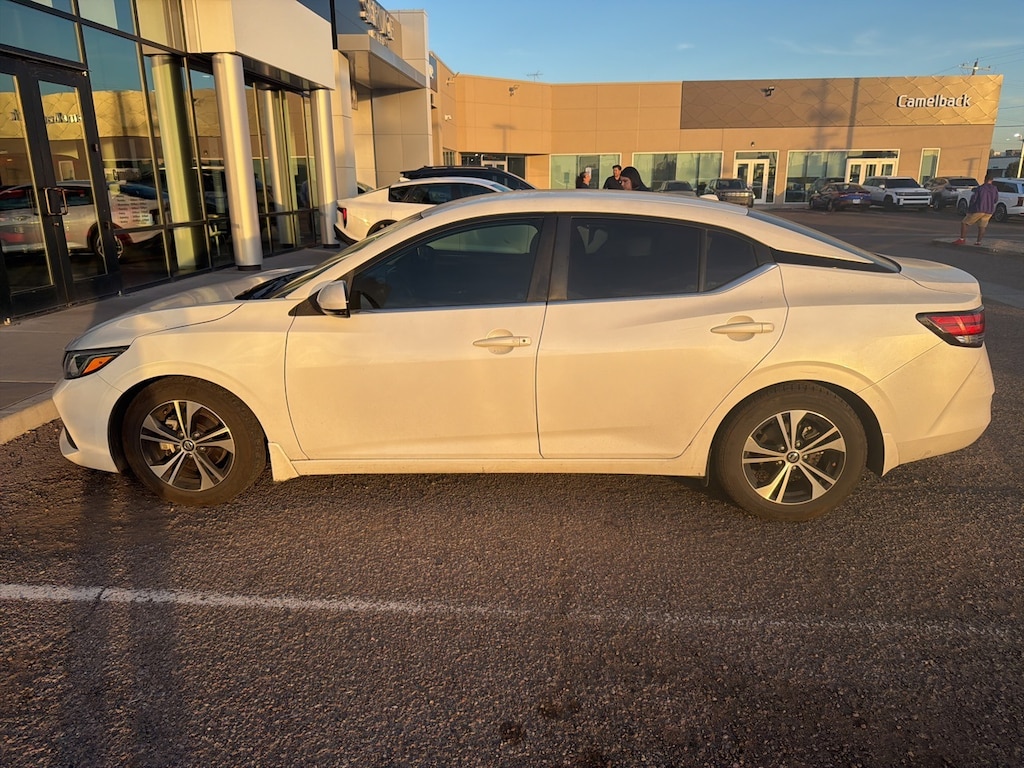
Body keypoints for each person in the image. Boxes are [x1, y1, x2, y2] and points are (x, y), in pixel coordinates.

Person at [955, 173, 998, 245]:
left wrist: (970, 209)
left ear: (985, 179)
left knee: (965, 223)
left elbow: (973, 199)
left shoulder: (980, 188)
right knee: (982, 226)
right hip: (989, 210)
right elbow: (995, 200)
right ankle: (979, 241)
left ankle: (962, 239)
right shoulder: (994, 189)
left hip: (979, 209)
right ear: (992, 180)